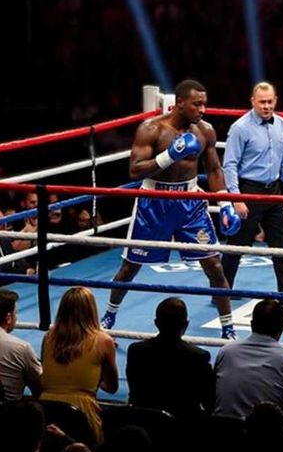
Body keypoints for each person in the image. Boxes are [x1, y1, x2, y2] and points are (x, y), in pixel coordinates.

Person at [100, 79, 242, 339]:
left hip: (190, 203)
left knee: (214, 266)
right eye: (197, 104)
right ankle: (108, 317)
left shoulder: (205, 131)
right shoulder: (151, 129)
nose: (202, 110)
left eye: (204, 104)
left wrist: (225, 204)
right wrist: (169, 155)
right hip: (154, 202)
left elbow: (214, 170)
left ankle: (228, 329)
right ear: (180, 103)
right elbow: (134, 171)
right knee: (130, 267)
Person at [220, 82, 283, 309]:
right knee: (237, 244)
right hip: (249, 190)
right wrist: (237, 198)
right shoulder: (240, 127)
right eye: (262, 102)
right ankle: (221, 291)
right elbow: (229, 164)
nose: (266, 106)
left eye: (269, 101)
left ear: (275, 100)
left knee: (281, 246)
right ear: (253, 102)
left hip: (274, 190)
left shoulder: (282, 124)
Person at [41, 287, 118, 445]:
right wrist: (95, 378)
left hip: (46, 407)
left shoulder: (48, 337)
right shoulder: (104, 341)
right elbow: (112, 387)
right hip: (82, 411)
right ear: (91, 310)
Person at [125, 297, 215, 419]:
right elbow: (209, 401)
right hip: (183, 424)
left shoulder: (136, 351)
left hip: (143, 421)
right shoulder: (198, 357)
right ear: (186, 324)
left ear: (156, 323)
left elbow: (134, 392)